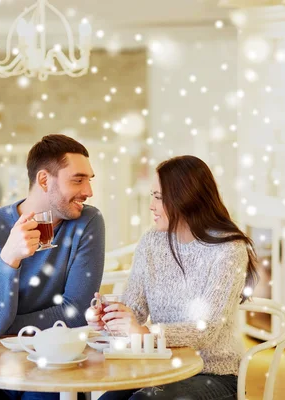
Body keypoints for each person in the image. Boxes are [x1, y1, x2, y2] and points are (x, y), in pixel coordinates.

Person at [0, 134, 105, 400]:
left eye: (88, 180)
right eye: (78, 180)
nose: (88, 191)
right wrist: (9, 258)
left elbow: (76, 313)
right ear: (45, 180)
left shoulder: (87, 222)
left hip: (57, 364)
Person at [86, 155, 258, 400]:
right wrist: (113, 318)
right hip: (160, 367)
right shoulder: (151, 241)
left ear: (185, 197)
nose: (151, 206)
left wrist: (144, 334)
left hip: (213, 374)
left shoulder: (228, 249)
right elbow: (135, 309)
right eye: (152, 196)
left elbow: (204, 331)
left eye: (158, 197)